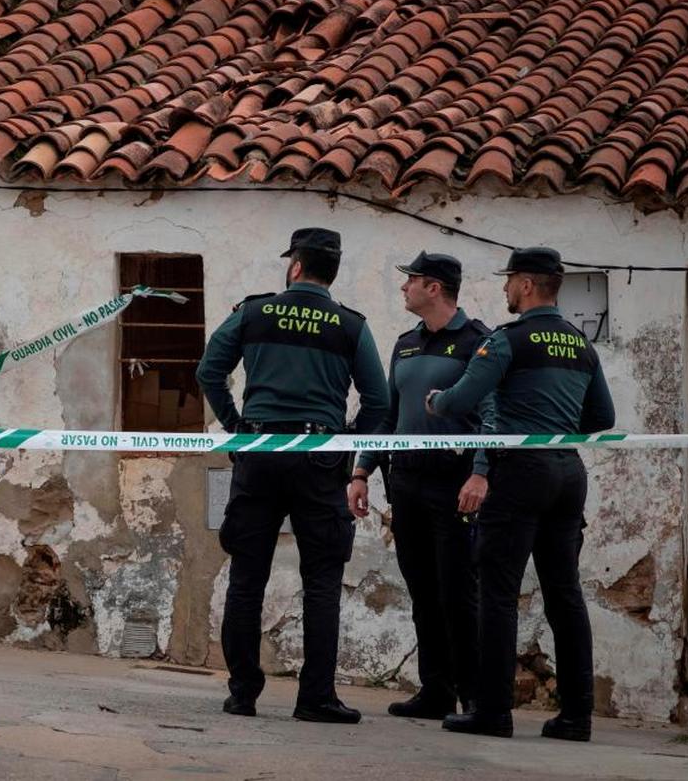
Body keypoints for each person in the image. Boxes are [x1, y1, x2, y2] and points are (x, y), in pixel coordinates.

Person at [196, 227, 389, 723]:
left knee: (247, 577)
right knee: (322, 580)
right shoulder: (350, 325)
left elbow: (208, 372)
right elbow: (379, 401)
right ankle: (315, 698)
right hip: (320, 458)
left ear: (296, 266)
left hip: (258, 452)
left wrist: (237, 429)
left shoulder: (255, 311)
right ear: (332, 270)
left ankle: (243, 693)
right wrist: (345, 448)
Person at [426, 246, 615, 741]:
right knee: (564, 594)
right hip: (567, 473)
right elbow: (603, 419)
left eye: (510, 280)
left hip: (517, 475)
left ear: (527, 284)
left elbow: (461, 399)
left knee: (498, 593)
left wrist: (436, 401)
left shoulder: (509, 340)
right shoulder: (580, 344)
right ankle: (577, 717)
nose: (506, 289)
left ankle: (492, 711)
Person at [348, 251, 493, 719]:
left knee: (458, 590)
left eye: (410, 280)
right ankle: (436, 690)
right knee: (423, 589)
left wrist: (481, 470)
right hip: (406, 481)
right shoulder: (405, 344)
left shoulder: (479, 342)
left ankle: (473, 695)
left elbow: (493, 415)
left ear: (434, 287)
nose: (403, 288)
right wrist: (361, 470)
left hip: (456, 482)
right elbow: (389, 416)